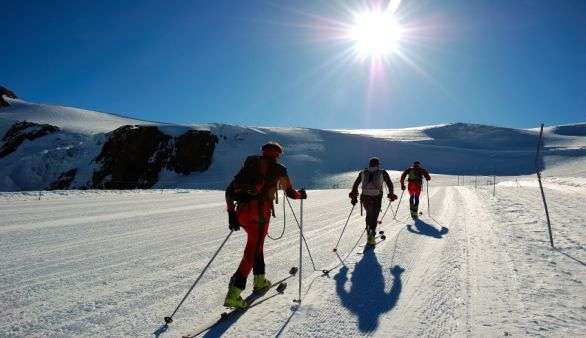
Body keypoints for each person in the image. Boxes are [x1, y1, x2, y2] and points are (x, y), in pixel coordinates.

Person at [224, 141, 307, 309]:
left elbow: (229, 190)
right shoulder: (279, 169)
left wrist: (231, 215)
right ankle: (234, 293)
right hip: (259, 216)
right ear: (278, 154)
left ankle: (260, 280)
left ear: (263, 151)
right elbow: (290, 192)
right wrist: (301, 195)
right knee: (252, 251)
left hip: (241, 213)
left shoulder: (250, 164)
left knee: (257, 246)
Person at [349, 157, 397, 247]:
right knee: (374, 217)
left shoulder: (363, 172)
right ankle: (371, 237)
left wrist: (354, 196)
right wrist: (391, 194)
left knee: (368, 215)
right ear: (378, 164)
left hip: (365, 198)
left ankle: (369, 234)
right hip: (376, 197)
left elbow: (355, 185)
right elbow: (389, 183)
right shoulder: (382, 172)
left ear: (369, 164)